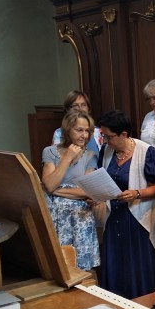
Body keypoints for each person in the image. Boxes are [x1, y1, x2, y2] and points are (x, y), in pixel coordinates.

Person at [96, 110, 155, 299]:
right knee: (117, 265)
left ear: (123, 134)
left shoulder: (146, 152)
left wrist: (137, 193)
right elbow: (102, 178)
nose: (105, 141)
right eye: (103, 136)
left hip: (138, 220)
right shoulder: (106, 151)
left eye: (108, 136)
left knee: (138, 267)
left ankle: (144, 304)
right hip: (114, 217)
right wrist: (95, 195)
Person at [42, 111, 100, 271]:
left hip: (80, 217)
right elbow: (50, 184)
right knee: (59, 267)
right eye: (79, 130)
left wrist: (54, 190)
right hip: (55, 217)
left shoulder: (90, 156)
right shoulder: (49, 151)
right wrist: (67, 158)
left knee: (84, 268)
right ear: (67, 130)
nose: (84, 135)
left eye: (87, 131)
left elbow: (87, 191)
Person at [51, 90, 101, 154]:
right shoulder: (59, 133)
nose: (80, 109)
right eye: (75, 105)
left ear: (88, 108)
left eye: (83, 105)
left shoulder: (98, 132)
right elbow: (56, 157)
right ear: (67, 109)